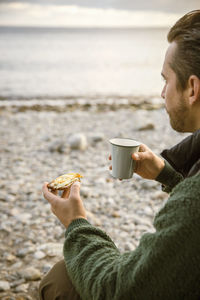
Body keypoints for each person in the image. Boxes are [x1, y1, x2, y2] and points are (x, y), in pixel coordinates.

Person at [39, 10, 200, 300]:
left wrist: (76, 223)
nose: (162, 93)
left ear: (192, 88)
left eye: (166, 80)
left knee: (60, 279)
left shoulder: (194, 202)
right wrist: (164, 173)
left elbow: (120, 291)